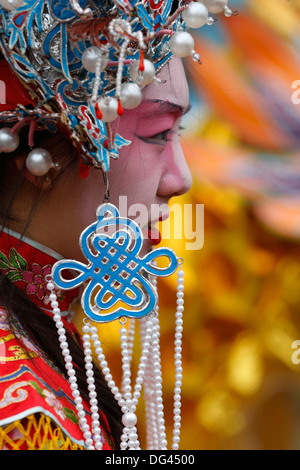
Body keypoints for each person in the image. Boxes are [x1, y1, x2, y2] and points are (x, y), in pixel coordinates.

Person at [0, 0, 233, 451]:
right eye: (156, 133)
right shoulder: (22, 418)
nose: (181, 179)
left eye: (176, 134)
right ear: (40, 157)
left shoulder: (38, 337)